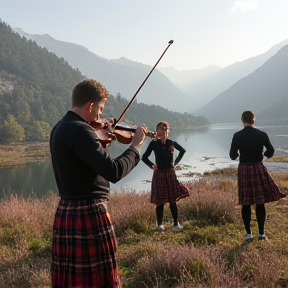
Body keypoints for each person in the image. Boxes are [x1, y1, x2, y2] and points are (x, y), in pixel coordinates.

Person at [49, 79, 146, 288]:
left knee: (71, 280)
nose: (100, 116)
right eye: (100, 108)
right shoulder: (80, 131)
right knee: (97, 280)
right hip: (89, 213)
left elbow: (86, 164)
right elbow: (114, 171)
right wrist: (136, 146)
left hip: (67, 210)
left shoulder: (59, 128)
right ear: (90, 105)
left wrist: (101, 145)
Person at [229, 110, 285, 241]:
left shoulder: (237, 136)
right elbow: (271, 151)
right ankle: (262, 234)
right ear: (254, 120)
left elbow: (232, 155)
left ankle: (249, 234)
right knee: (260, 202)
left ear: (242, 120)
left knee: (246, 202)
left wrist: (241, 157)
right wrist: (262, 157)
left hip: (244, 168)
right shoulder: (262, 134)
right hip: (258, 166)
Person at [142, 121, 190, 231]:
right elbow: (144, 157)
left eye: (163, 128)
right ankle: (159, 225)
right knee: (160, 201)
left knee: (173, 200)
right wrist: (152, 165)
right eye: (159, 128)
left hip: (170, 172)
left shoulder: (171, 143)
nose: (161, 130)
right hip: (159, 173)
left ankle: (176, 224)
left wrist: (175, 163)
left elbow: (182, 151)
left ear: (167, 131)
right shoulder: (154, 143)